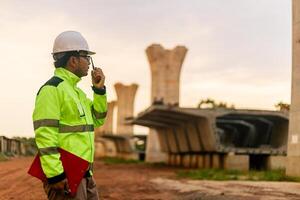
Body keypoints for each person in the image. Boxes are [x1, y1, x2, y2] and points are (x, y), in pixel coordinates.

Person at [31, 31, 107, 200]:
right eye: (86, 57)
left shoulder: (77, 93)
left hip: (84, 173)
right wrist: (55, 175)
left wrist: (99, 91)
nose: (89, 62)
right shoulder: (52, 90)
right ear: (73, 60)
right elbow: (45, 135)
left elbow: (98, 118)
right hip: (66, 175)